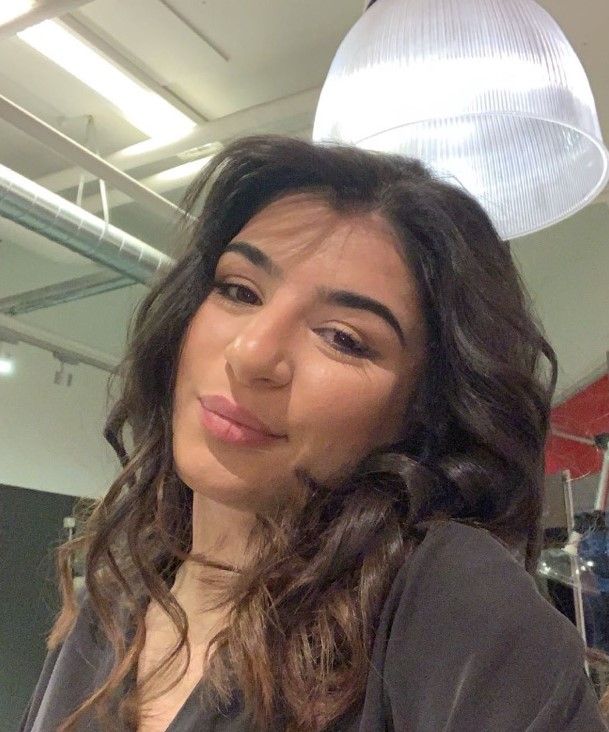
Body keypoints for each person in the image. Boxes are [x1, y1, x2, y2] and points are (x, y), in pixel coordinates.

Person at [20, 136, 607, 732]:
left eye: (342, 338)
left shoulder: (447, 605)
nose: (252, 352)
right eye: (239, 291)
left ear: (423, 410)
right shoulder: (108, 605)